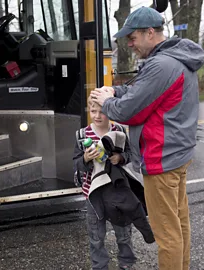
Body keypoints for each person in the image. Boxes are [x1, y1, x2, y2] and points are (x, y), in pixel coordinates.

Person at [89, 6, 204, 270]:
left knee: (166, 234)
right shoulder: (173, 58)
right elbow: (140, 90)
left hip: (161, 159)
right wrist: (115, 90)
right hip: (178, 155)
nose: (129, 44)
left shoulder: (161, 64)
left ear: (150, 33)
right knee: (179, 223)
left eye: (132, 38)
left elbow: (129, 111)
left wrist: (107, 101)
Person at [72, 96, 137, 270]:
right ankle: (100, 267)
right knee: (96, 237)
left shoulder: (120, 131)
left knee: (124, 234)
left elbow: (131, 155)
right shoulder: (82, 135)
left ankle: (126, 264)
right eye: (93, 111)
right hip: (94, 195)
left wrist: (120, 158)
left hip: (118, 193)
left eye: (103, 111)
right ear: (89, 111)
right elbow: (76, 164)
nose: (98, 116)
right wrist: (85, 158)